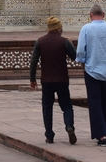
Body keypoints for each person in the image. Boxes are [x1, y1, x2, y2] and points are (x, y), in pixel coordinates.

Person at [75, 3, 106, 146]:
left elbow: (81, 50)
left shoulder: (86, 28)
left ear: (90, 15)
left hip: (92, 70)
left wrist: (82, 62)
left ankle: (101, 135)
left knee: (95, 102)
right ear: (103, 15)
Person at [29, 16, 77, 144]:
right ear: (57, 29)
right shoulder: (64, 42)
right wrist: (71, 45)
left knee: (47, 107)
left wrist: (32, 79)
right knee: (66, 106)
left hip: (47, 80)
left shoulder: (40, 42)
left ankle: (49, 135)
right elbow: (75, 57)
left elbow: (33, 62)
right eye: (61, 28)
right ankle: (69, 126)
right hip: (62, 80)